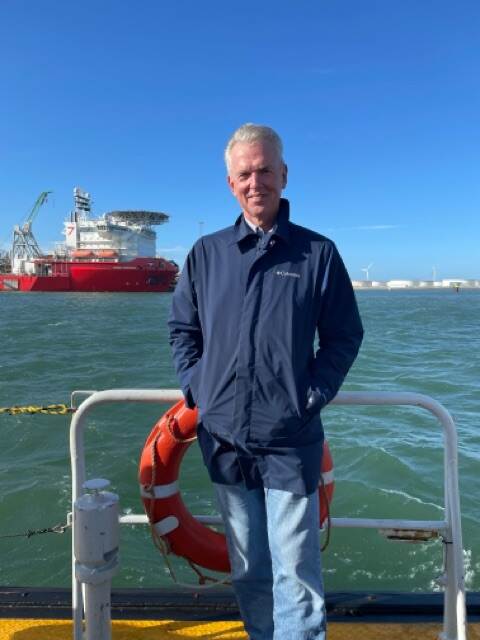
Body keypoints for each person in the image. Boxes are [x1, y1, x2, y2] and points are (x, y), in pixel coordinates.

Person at [168, 123, 363, 640]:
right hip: (224, 439)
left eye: (265, 170)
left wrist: (313, 394)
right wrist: (198, 388)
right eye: (245, 174)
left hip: (290, 439)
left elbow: (344, 335)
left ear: (284, 174)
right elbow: (183, 329)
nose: (256, 182)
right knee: (250, 568)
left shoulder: (318, 254)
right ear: (231, 183)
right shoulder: (206, 253)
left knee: (296, 573)